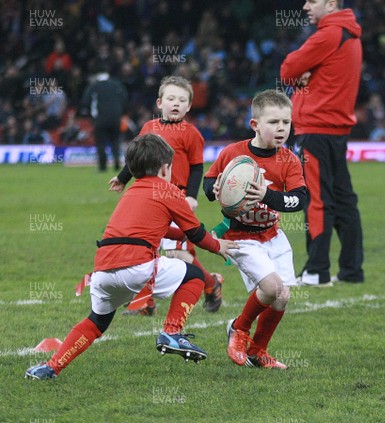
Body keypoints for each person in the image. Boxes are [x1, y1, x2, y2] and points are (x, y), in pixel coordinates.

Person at [25, 134, 238, 380]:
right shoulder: (168, 190)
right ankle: (173, 332)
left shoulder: (132, 192)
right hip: (137, 266)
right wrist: (217, 246)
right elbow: (197, 233)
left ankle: (51, 367)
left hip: (103, 271)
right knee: (194, 276)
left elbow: (153, 227)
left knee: (97, 321)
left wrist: (183, 235)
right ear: (165, 168)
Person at [203, 90, 306, 369]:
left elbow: (300, 199)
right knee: (272, 287)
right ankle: (238, 327)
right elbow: (209, 182)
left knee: (282, 296)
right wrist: (213, 189)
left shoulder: (289, 159)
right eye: (274, 122)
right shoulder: (233, 153)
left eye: (286, 122)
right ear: (255, 125)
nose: (282, 128)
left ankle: (258, 351)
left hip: (272, 234)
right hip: (240, 236)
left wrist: (267, 196)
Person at [109, 75, 224, 316]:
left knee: (176, 253)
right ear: (159, 103)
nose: (176, 103)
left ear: (189, 106)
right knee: (147, 248)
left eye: (182, 100)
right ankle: (146, 303)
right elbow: (138, 158)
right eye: (171, 98)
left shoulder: (191, 133)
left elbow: (196, 167)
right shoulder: (149, 128)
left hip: (175, 198)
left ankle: (210, 284)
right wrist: (122, 178)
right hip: (148, 199)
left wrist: (192, 196)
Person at [281, 0, 364, 286]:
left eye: (312, 1)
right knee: (344, 199)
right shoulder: (349, 34)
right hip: (336, 129)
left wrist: (303, 77)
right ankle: (352, 270)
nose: (305, 6)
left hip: (315, 129)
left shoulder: (327, 34)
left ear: (331, 4)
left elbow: (287, 68)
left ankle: (317, 271)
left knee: (317, 200)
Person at [81, 65, 128, 171]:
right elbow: (125, 100)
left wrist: (90, 115)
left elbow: (86, 101)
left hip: (100, 119)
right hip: (116, 118)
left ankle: (103, 166)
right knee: (115, 141)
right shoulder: (117, 84)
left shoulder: (94, 86)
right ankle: (117, 162)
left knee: (101, 142)